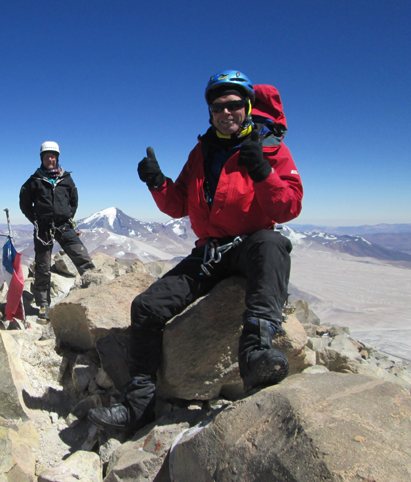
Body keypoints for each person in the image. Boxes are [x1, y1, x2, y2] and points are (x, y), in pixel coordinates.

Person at [88, 70, 303, 432]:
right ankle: (138, 404)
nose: (226, 111)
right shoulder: (202, 151)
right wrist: (157, 182)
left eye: (234, 104)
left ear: (248, 106)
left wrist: (264, 171)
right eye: (218, 105)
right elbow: (179, 205)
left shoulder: (270, 148)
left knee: (273, 243)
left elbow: (288, 207)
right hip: (210, 252)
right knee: (146, 306)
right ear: (210, 112)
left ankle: (255, 355)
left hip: (251, 245)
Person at [19, 141, 95, 320]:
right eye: (47, 156)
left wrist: (66, 216)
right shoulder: (34, 181)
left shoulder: (66, 179)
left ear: (57, 157)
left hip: (64, 225)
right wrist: (36, 221)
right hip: (43, 228)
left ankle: (96, 290)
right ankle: (43, 304)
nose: (50, 159)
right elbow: (24, 204)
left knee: (82, 257)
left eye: (53, 156)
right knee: (43, 266)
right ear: (42, 158)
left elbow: (74, 201)